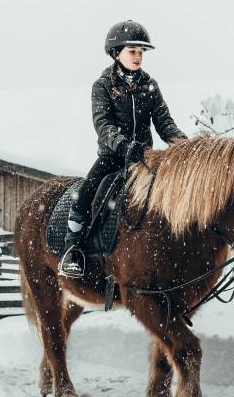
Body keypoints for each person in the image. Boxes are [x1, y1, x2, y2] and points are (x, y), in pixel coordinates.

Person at [60, 20, 186, 277]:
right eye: (132, 51)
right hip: (113, 157)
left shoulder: (151, 86)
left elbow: (165, 123)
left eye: (141, 52)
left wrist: (186, 145)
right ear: (117, 53)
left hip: (145, 159)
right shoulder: (103, 85)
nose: (138, 56)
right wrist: (123, 145)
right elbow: (103, 125)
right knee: (87, 191)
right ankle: (72, 248)